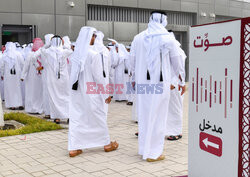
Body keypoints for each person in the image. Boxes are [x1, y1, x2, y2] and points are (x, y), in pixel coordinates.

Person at [130, 11, 186, 162]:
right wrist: (181, 81)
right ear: (164, 20)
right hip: (160, 85)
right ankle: (153, 152)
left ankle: (144, 149)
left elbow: (132, 62)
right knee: (158, 115)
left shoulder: (138, 38)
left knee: (145, 114)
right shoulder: (168, 38)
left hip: (142, 84)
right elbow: (177, 63)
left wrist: (134, 80)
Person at [68, 27, 118, 157]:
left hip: (77, 92)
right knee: (98, 116)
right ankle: (106, 144)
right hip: (92, 91)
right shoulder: (93, 54)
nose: (94, 38)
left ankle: (74, 147)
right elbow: (99, 77)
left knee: (78, 118)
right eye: (93, 36)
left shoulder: (75, 54)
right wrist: (106, 94)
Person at [31, 35, 72, 124]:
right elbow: (70, 50)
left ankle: (57, 117)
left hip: (52, 79)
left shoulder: (47, 51)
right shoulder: (64, 51)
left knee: (54, 97)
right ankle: (68, 116)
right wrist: (63, 44)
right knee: (66, 96)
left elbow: (38, 52)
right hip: (64, 78)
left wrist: (47, 45)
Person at [166, 31, 187, 141]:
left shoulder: (178, 51)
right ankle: (168, 130)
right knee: (167, 109)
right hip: (166, 84)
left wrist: (178, 83)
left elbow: (180, 70)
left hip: (174, 84)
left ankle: (177, 131)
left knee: (175, 108)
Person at [21, 38, 44, 114]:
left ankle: (32, 109)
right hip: (40, 77)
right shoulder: (43, 54)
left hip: (31, 77)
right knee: (39, 93)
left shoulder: (30, 54)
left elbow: (26, 66)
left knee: (32, 92)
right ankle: (39, 108)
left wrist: (23, 76)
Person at [0, 42, 24, 110]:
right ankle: (19, 104)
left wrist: (2, 74)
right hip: (17, 75)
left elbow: (1, 67)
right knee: (18, 89)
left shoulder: (4, 55)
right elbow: (22, 64)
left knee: (9, 89)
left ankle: (11, 105)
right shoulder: (18, 54)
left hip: (8, 76)